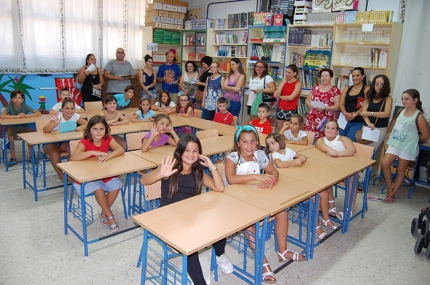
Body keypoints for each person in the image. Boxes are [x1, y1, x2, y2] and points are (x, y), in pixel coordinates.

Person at [140, 134, 232, 284]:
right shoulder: (170, 167)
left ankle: (220, 255)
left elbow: (219, 187)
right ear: (180, 150)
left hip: (190, 216)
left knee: (219, 226)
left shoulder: (198, 171)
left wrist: (212, 166)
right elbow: (144, 180)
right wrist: (159, 174)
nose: (191, 154)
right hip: (168, 219)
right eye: (187, 150)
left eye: (195, 151)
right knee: (191, 246)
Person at [224, 125, 278, 283]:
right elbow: (231, 179)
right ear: (238, 143)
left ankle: (283, 251)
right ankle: (264, 264)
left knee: (282, 211)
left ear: (257, 142)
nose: (249, 146)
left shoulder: (259, 155)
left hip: (255, 197)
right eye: (245, 142)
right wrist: (255, 177)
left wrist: (271, 181)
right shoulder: (232, 157)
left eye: (253, 142)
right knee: (249, 225)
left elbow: (274, 171)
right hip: (235, 200)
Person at [69, 115, 125, 233]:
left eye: (101, 129)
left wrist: (109, 155)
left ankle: (104, 212)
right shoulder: (85, 141)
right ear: (89, 130)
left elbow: (120, 149)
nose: (98, 132)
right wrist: (92, 152)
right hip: (86, 176)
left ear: (106, 129)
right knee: (99, 189)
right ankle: (110, 216)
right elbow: (73, 157)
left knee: (116, 186)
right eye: (95, 129)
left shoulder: (108, 138)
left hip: (103, 174)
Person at [264, 133, 307, 261]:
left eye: (272, 143)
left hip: (289, 182)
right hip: (279, 186)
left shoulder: (288, 151)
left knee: (312, 194)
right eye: (268, 145)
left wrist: (302, 158)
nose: (270, 147)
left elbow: (302, 156)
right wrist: (295, 161)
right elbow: (280, 165)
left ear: (280, 141)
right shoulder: (274, 155)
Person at [381, 89, 429, 202]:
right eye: (403, 99)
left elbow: (425, 135)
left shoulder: (419, 116)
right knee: (385, 164)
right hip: (395, 143)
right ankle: (390, 187)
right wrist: (388, 135)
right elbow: (393, 126)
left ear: (415, 100)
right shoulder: (400, 111)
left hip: (407, 147)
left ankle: (392, 193)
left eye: (407, 99)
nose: (403, 101)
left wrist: (414, 140)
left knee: (400, 171)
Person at [315, 120, 356, 224]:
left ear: (337, 131)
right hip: (331, 170)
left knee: (353, 178)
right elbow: (319, 145)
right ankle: (331, 203)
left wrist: (339, 153)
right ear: (324, 129)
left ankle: (349, 209)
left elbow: (352, 150)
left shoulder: (342, 139)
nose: (330, 130)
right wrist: (330, 150)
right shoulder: (321, 140)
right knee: (325, 174)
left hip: (346, 168)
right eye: (327, 127)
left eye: (333, 128)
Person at [43, 98, 88, 181]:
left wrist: (82, 126)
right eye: (67, 108)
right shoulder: (58, 117)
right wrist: (54, 124)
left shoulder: (75, 116)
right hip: (52, 142)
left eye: (72, 108)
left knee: (75, 149)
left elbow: (88, 124)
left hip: (66, 142)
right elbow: (45, 130)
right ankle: (60, 174)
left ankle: (69, 172)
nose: (70, 111)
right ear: (62, 109)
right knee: (54, 153)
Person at [0, 89, 41, 166]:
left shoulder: (25, 106)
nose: (17, 100)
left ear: (22, 100)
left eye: (19, 98)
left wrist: (26, 115)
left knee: (30, 139)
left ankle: (31, 156)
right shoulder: (10, 107)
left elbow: (38, 113)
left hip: (24, 126)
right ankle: (13, 158)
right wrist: (16, 117)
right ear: (11, 100)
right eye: (15, 98)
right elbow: (2, 115)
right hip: (13, 127)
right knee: (11, 138)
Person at [304, 68, 341, 140]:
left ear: (331, 77)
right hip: (312, 118)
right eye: (322, 76)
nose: (324, 78)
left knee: (322, 139)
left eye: (326, 76)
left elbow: (337, 106)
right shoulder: (315, 88)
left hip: (325, 119)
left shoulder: (335, 90)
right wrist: (309, 105)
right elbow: (307, 101)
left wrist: (325, 108)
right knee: (310, 138)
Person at [359, 75, 393, 150]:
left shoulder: (388, 98)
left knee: (370, 151)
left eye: (382, 85)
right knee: (361, 151)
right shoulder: (369, 96)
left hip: (379, 128)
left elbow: (386, 114)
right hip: (367, 127)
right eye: (377, 84)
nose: (379, 87)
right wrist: (368, 123)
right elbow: (364, 112)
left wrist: (370, 113)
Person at [339, 67, 370, 141]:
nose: (355, 78)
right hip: (344, 119)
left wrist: (354, 115)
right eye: (353, 76)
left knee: (351, 140)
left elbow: (366, 105)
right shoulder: (347, 88)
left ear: (363, 76)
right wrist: (345, 113)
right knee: (340, 140)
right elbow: (341, 104)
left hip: (358, 120)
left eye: (357, 75)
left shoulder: (367, 89)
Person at [273, 64, 302, 132]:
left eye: (289, 72)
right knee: (281, 130)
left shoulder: (298, 83)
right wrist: (282, 83)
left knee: (290, 131)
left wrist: (280, 96)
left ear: (294, 73)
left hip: (291, 110)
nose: (287, 74)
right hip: (281, 109)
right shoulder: (283, 82)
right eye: (286, 72)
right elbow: (276, 95)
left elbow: (291, 97)